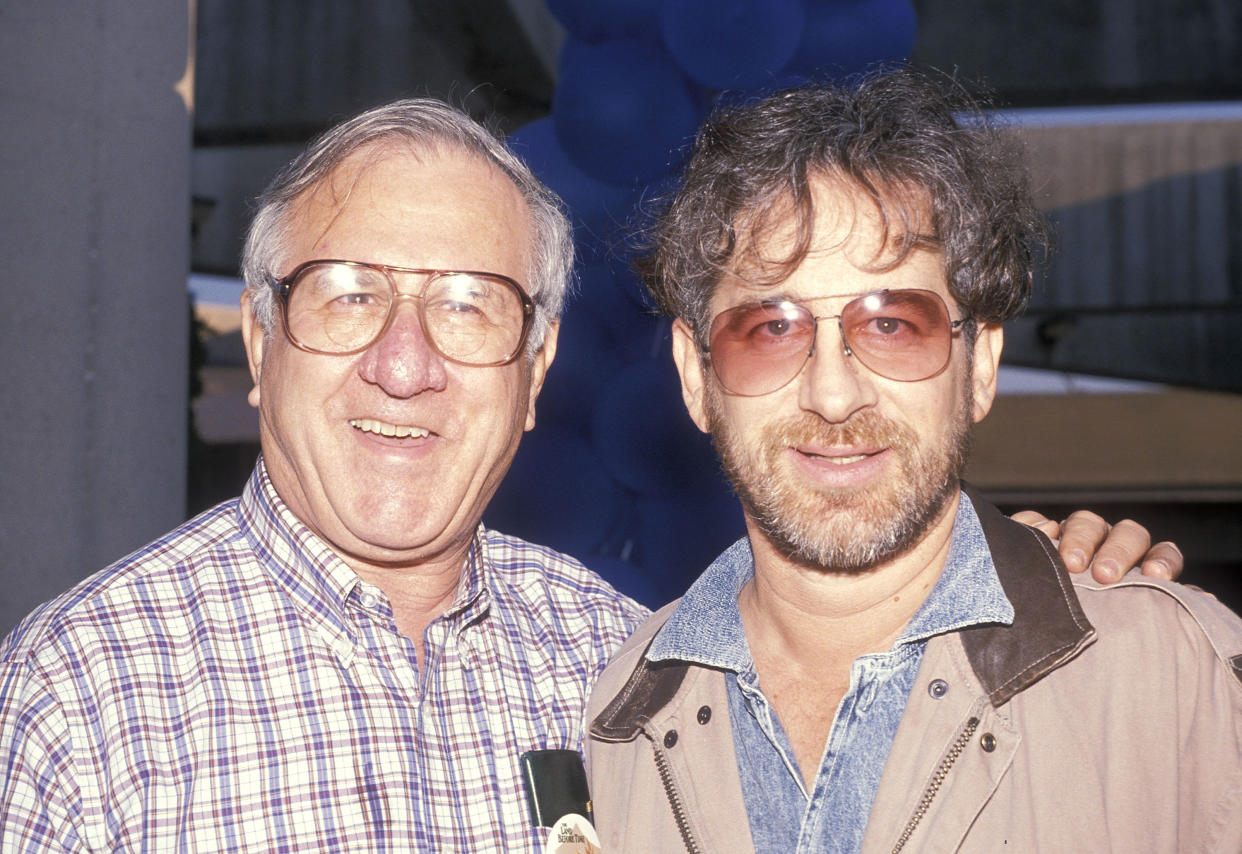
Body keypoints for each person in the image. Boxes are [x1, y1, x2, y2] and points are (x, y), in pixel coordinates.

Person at [0, 97, 1182, 852]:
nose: (403, 363)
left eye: (470, 306)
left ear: (535, 365)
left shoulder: (631, 665)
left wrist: (1044, 579)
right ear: (262, 342)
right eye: (350, 294)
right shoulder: (85, 695)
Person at [584, 70, 1242, 853]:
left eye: (895, 324)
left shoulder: (1170, 674)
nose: (834, 394)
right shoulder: (616, 722)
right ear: (697, 378)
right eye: (770, 330)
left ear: (981, 366)